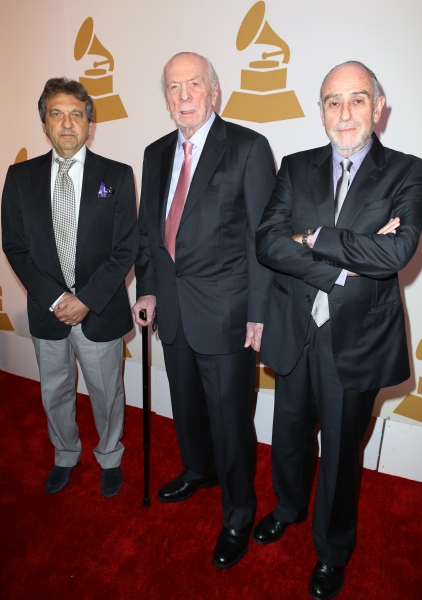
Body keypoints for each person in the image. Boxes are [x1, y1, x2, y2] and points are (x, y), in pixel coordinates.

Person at [254, 61, 422, 599]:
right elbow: (267, 242)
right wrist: (346, 261)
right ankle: (287, 506)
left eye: (356, 100)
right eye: (332, 100)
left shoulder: (408, 171)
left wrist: (313, 237)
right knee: (289, 433)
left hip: (358, 338)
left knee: (342, 452)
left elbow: (397, 251)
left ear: (378, 107)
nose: (344, 112)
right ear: (319, 109)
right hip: (295, 328)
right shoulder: (295, 166)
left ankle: (332, 549)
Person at [133, 52, 275, 568]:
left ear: (214, 92)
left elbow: (264, 239)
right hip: (172, 309)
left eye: (195, 84)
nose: (185, 95)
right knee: (187, 406)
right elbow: (151, 233)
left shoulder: (248, 148)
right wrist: (147, 290)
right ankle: (199, 470)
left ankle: (238, 511)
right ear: (166, 96)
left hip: (228, 313)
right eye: (174, 86)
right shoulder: (153, 153)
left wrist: (258, 312)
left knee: (231, 419)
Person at [2, 78, 137, 498]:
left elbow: (125, 247)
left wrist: (86, 301)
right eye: (56, 113)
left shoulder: (116, 175)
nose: (67, 123)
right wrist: (60, 299)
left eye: (76, 114)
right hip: (48, 310)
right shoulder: (20, 176)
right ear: (44, 123)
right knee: (54, 391)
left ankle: (110, 455)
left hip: (99, 312)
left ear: (89, 124)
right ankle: (65, 453)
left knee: (107, 392)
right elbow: (16, 246)